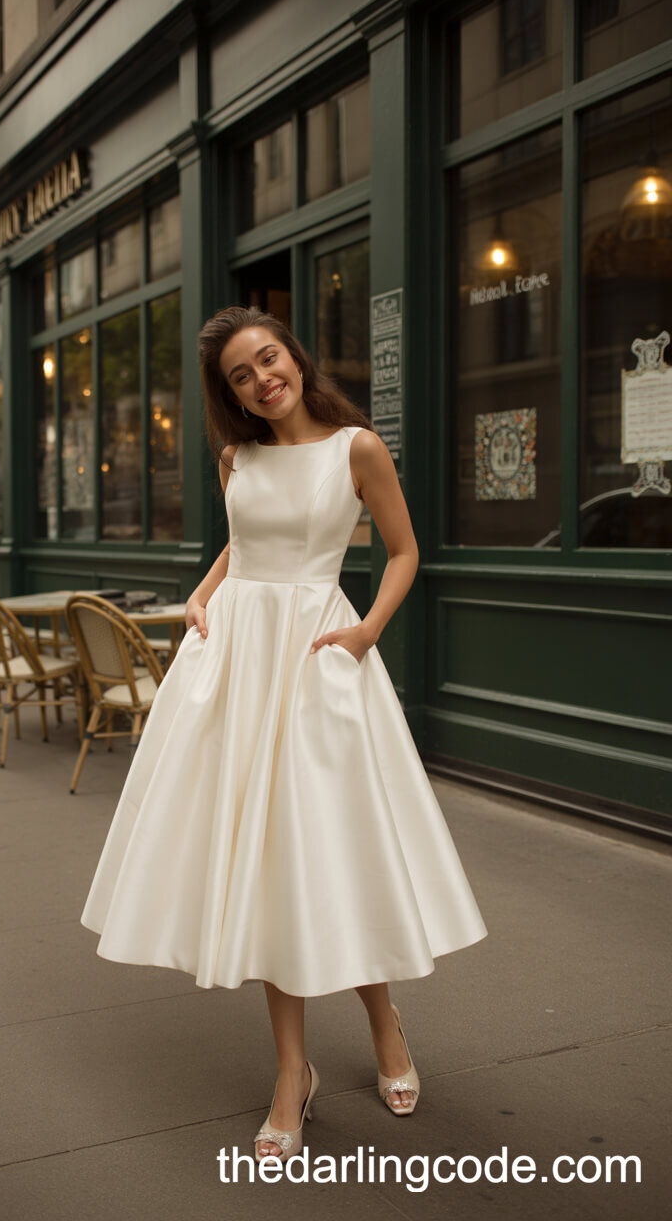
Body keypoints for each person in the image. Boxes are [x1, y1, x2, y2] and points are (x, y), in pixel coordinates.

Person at [81, 306, 487, 1162]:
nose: (263, 378)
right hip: (236, 662)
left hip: (316, 662)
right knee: (269, 866)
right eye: (241, 374)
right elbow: (241, 547)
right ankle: (292, 1071)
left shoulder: (357, 449)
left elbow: (406, 551)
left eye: (269, 359)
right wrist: (200, 592)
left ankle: (385, 1022)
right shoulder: (237, 458)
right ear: (230, 395)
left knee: (333, 851)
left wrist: (368, 631)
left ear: (293, 358)